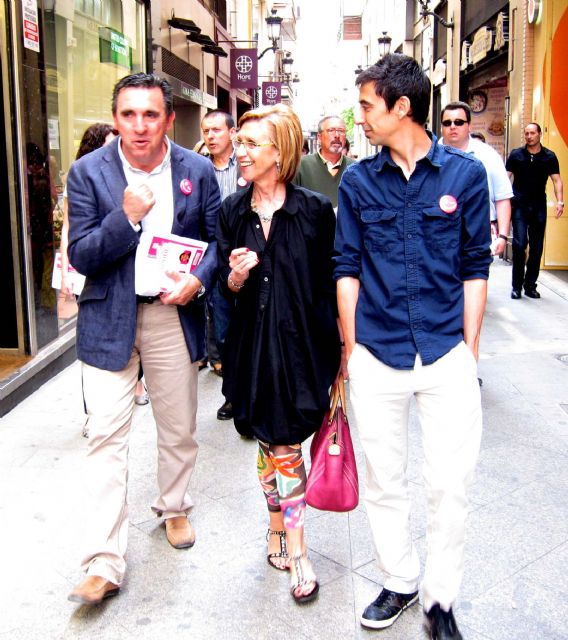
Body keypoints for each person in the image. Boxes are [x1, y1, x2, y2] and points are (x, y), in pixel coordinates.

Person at [334, 53, 491, 639]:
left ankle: (440, 601)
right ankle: (399, 580)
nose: (360, 117)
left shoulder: (464, 175)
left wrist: (469, 349)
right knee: (384, 479)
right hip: (377, 352)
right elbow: (346, 266)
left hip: (446, 351)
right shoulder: (357, 181)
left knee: (451, 484)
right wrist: (352, 349)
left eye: (367, 106)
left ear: (401, 107)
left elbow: (476, 266)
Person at [66, 73, 221, 605]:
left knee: (178, 427)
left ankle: (174, 506)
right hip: (108, 318)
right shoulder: (88, 172)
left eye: (150, 114)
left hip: (169, 315)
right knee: (105, 438)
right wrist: (126, 217)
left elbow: (215, 243)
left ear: (169, 120)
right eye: (128, 114)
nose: (139, 126)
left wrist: (197, 280)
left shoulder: (197, 171)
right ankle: (103, 561)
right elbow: (82, 255)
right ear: (115, 119)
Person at [216, 104, 341, 604]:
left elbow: (332, 282)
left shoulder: (314, 211)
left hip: (302, 346)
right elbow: (224, 289)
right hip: (250, 348)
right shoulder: (232, 211)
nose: (241, 152)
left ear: (280, 151)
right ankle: (285, 534)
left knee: (283, 445)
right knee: (273, 444)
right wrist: (236, 274)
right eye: (239, 142)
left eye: (251, 143)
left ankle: (290, 539)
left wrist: (344, 350)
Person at [200, 110, 245, 421]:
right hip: (215, 260)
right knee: (224, 330)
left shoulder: (247, 162)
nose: (210, 136)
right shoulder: (198, 169)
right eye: (206, 131)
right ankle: (232, 397)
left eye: (216, 129)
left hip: (249, 257)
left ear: (232, 132)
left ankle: (255, 393)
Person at [440, 101, 512, 257]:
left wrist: (503, 236)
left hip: (479, 231)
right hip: (439, 232)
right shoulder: (429, 155)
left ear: (469, 126)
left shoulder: (489, 155)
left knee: (475, 271)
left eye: (459, 122)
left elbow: (502, 197)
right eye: (447, 123)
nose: (452, 126)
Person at [506, 122, 564, 299]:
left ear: (540, 134)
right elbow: (506, 178)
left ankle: (530, 285)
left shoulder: (549, 156)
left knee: (537, 247)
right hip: (519, 205)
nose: (529, 136)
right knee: (519, 244)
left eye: (532, 133)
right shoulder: (516, 155)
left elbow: (557, 180)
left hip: (538, 205)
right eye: (526, 133)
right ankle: (516, 286)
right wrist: (503, 201)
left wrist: (560, 201)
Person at [293, 115, 355, 211]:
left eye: (341, 131)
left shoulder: (355, 168)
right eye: (331, 130)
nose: (337, 135)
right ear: (319, 137)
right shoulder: (300, 166)